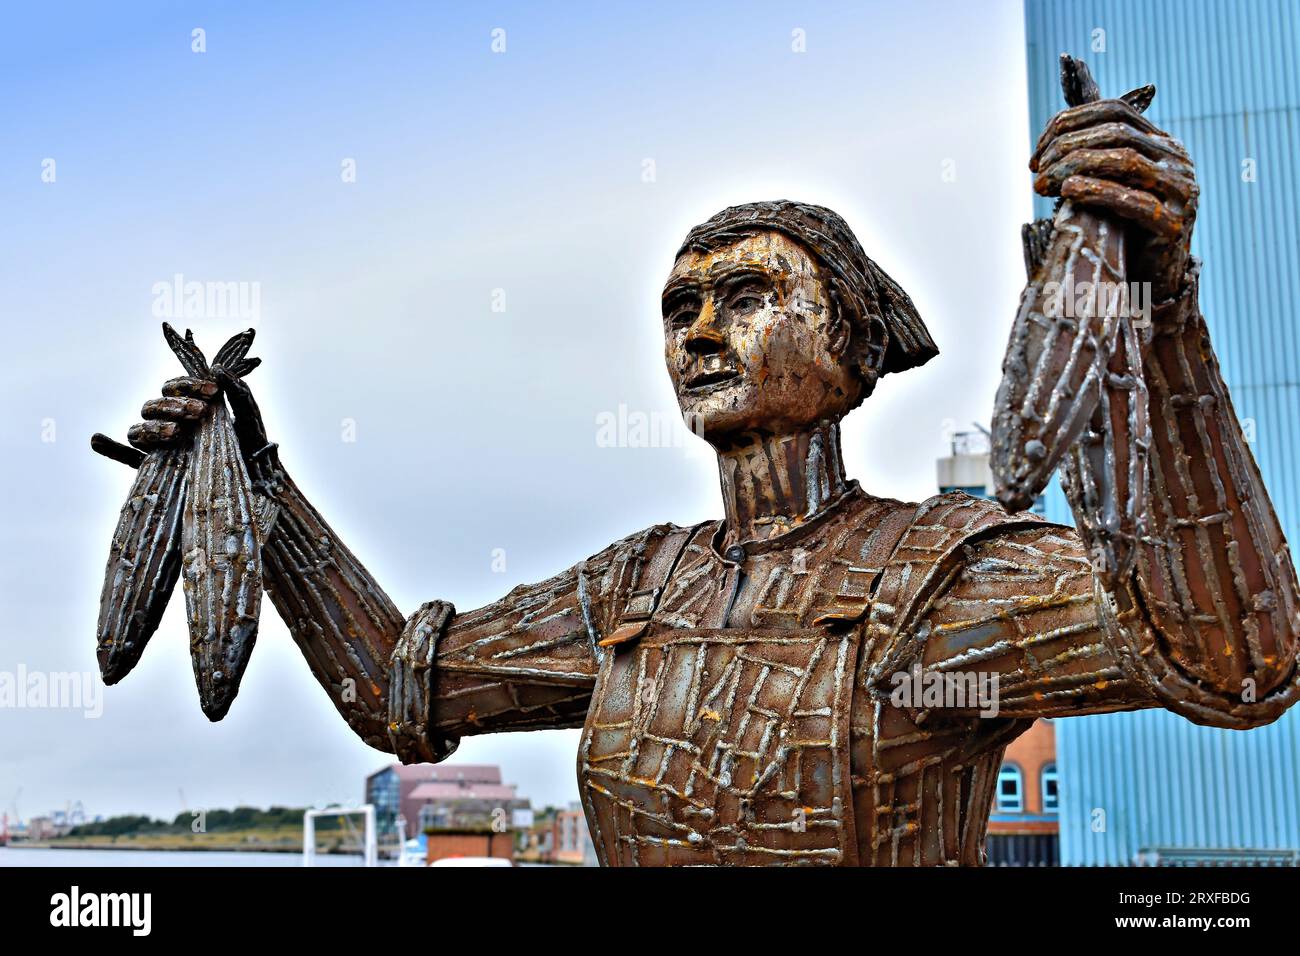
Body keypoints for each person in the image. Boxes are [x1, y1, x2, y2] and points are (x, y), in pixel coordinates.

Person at [116, 93, 1299, 866]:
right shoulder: (633, 589)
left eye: (745, 297)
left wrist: (1156, 321)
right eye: (678, 306)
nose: (696, 332)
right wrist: (252, 485)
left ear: (851, 346)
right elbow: (392, 686)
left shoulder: (942, 571)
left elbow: (1234, 658)